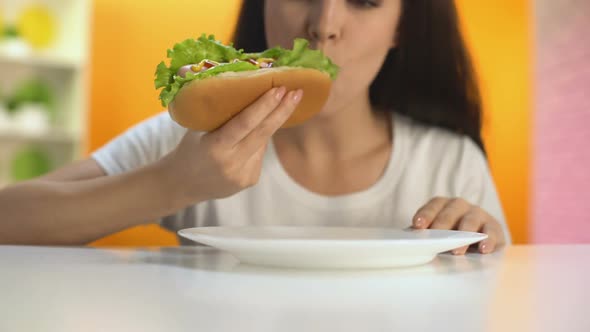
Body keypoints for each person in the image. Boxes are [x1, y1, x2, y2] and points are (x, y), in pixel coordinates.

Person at [0, 0, 511, 253]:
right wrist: (173, 183)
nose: (324, 22)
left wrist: (480, 246)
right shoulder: (190, 143)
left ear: (404, 23)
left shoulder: (451, 161)